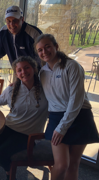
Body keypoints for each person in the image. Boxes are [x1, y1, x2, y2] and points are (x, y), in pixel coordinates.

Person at [0, 56, 48, 180]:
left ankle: (10, 175)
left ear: (34, 68)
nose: (23, 72)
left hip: (28, 134)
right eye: (19, 70)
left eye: (26, 68)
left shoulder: (46, 89)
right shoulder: (12, 89)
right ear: (16, 74)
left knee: (1, 153)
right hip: (9, 126)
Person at [36, 34, 99, 180]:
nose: (44, 52)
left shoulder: (72, 66)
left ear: (56, 47)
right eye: (40, 50)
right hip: (56, 117)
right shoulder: (42, 73)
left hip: (79, 116)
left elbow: (75, 101)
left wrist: (62, 127)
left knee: (73, 165)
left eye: (47, 47)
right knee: (62, 164)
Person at [0, 5, 42, 77]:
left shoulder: (34, 33)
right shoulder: (3, 32)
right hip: (18, 75)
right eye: (8, 21)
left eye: (15, 20)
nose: (11, 24)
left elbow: (44, 59)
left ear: (22, 20)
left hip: (36, 76)